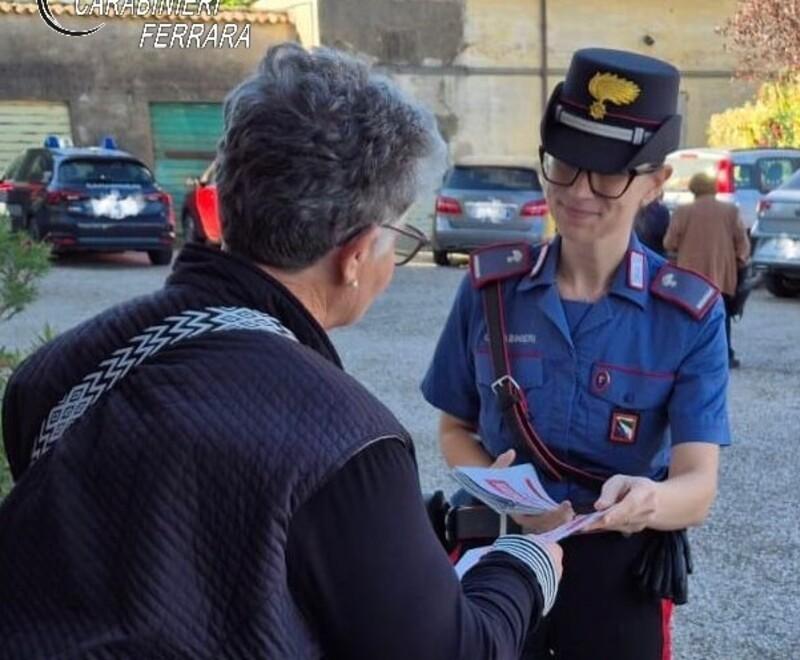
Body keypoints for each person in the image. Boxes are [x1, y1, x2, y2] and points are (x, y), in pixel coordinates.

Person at [0, 44, 562, 659]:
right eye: (399, 239)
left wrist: (413, 526)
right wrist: (525, 564)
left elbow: (182, 540)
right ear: (355, 256)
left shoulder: (59, 370)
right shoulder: (349, 444)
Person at [422, 48, 730, 660]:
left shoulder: (689, 313)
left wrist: (650, 502)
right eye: (564, 165)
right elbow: (455, 426)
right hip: (503, 554)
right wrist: (504, 488)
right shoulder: (491, 290)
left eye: (608, 174)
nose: (580, 191)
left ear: (654, 182)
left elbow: (698, 485)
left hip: (620, 570)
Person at [663, 172, 751, 368]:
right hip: (722, 274)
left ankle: (686, 356)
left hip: (690, 276)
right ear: (714, 188)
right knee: (723, 316)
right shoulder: (730, 211)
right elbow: (742, 243)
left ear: (693, 188)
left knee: (688, 316)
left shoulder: (683, 212)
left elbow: (669, 242)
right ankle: (725, 355)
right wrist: (740, 260)